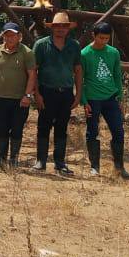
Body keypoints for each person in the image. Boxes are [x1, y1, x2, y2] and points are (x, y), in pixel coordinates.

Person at [32, 11, 82, 174]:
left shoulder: (74, 45)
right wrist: (37, 94)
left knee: (62, 127)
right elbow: (33, 71)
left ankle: (59, 162)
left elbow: (78, 70)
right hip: (46, 91)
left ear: (68, 28)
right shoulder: (41, 45)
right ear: (52, 27)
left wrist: (78, 94)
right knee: (44, 126)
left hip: (66, 92)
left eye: (64, 26)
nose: (61, 29)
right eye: (57, 26)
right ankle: (41, 160)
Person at [80, 21, 129, 179]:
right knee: (92, 132)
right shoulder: (85, 54)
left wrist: (120, 96)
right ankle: (94, 167)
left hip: (110, 98)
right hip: (92, 98)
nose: (103, 41)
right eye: (100, 38)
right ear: (93, 35)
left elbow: (117, 75)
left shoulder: (113, 53)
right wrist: (84, 101)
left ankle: (119, 167)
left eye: (106, 38)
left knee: (118, 131)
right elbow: (80, 79)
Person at [0, 23, 37, 168]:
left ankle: (14, 160)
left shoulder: (26, 52)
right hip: (0, 98)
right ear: (3, 36)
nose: (9, 38)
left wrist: (27, 95)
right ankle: (1, 160)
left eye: (12, 35)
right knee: (1, 129)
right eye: (6, 35)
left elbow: (32, 75)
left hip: (19, 99)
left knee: (16, 129)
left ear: (19, 36)